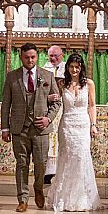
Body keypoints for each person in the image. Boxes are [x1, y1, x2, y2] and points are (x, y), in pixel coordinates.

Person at [1, 43, 61, 212]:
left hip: (41, 129)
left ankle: (38, 188)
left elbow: (56, 102)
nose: (30, 60)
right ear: (21, 57)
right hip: (19, 128)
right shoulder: (12, 77)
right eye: (26, 57)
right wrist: (5, 128)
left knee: (41, 163)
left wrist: (48, 119)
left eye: (33, 57)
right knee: (22, 164)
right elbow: (6, 104)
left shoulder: (47, 76)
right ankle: (23, 199)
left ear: (37, 57)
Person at [46, 53, 101, 212]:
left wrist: (93, 124)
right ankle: (63, 197)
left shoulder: (89, 83)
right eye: (71, 67)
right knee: (67, 158)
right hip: (67, 125)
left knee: (81, 157)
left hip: (83, 125)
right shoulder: (62, 84)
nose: (74, 70)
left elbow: (92, 105)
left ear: (81, 67)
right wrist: (49, 98)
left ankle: (82, 198)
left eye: (77, 67)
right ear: (67, 67)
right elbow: (54, 101)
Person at [42, 45, 66, 185]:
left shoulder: (67, 69)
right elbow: (39, 91)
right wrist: (48, 97)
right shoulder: (43, 69)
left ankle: (60, 172)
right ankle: (47, 172)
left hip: (63, 108)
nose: (53, 58)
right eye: (51, 55)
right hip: (48, 109)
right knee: (49, 139)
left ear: (62, 55)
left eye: (56, 55)